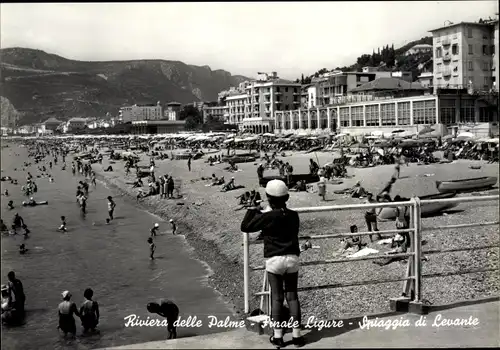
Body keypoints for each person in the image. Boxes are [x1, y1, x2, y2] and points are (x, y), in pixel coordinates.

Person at [240, 180, 304, 348]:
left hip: (275, 260)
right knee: (292, 297)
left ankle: (278, 337)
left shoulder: (268, 216)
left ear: (268, 198)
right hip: (292, 258)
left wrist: (253, 209)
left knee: (277, 298)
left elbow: (245, 227)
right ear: (287, 197)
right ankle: (297, 336)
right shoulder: (293, 215)